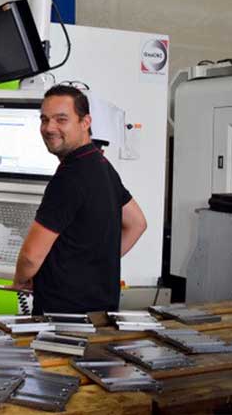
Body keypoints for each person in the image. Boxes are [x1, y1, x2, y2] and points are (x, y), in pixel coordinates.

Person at [11, 85, 147, 314]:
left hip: (62, 318)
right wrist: (95, 266)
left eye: (61, 119)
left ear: (85, 122)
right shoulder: (102, 165)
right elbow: (137, 224)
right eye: (44, 120)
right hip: (102, 314)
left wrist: (21, 281)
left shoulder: (68, 178)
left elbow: (31, 257)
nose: (49, 128)